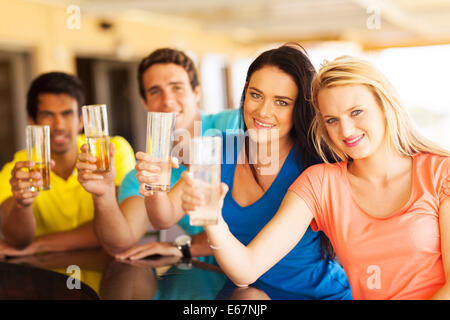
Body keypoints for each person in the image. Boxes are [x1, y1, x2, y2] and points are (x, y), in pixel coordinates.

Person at [182, 55, 450, 300]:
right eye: (332, 120)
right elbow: (247, 269)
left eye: (356, 112)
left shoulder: (440, 173)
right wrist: (213, 220)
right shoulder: (320, 184)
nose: (346, 129)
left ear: (384, 105)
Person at [123, 44, 352, 299]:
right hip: (247, 294)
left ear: (299, 108)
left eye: (281, 102)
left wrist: (211, 219)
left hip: (314, 294)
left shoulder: (314, 166)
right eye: (256, 95)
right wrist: (155, 186)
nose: (263, 111)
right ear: (244, 93)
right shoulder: (218, 148)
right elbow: (163, 218)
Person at [76, 48, 241, 256]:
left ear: (196, 92)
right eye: (155, 91)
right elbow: (119, 242)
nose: (167, 100)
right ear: (145, 103)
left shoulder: (233, 124)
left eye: (177, 88)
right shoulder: (147, 173)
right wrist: (104, 194)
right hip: (204, 276)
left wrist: (183, 247)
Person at [0, 72, 135, 257]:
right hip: (50, 277)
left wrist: (40, 244)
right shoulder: (19, 169)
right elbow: (17, 240)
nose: (59, 125)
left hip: (111, 268)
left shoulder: (111, 151)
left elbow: (120, 227)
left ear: (81, 121)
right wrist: (22, 204)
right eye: (48, 115)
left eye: (67, 114)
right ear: (32, 121)